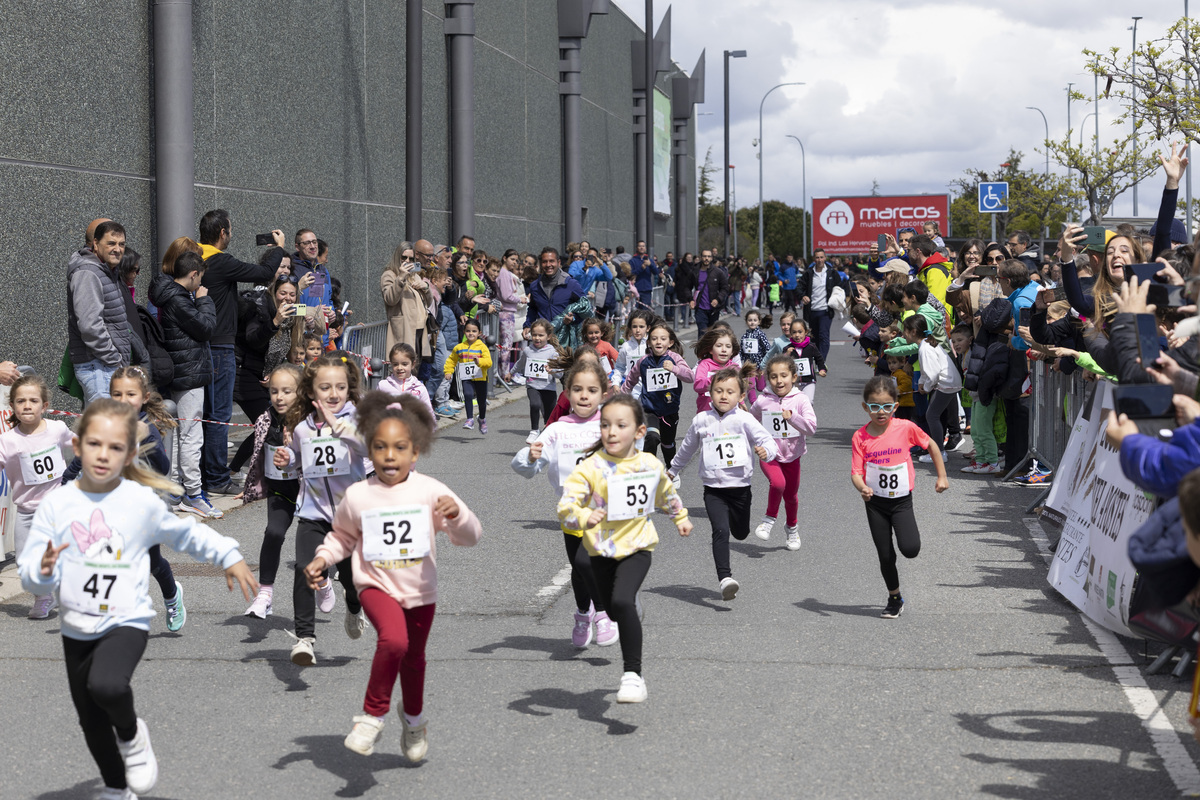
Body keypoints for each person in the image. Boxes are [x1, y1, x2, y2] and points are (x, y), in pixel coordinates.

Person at [18, 398, 256, 799]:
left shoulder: (138, 502)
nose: (103, 454)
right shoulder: (58, 505)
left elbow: (185, 533)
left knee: (108, 686)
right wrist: (42, 569)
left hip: (126, 619)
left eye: (115, 447)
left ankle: (131, 735)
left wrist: (228, 554)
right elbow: (32, 576)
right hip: (77, 626)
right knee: (91, 719)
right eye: (95, 444)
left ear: (129, 454)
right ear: (77, 447)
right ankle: (116, 788)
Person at [306, 392, 481, 761]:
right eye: (381, 447)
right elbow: (342, 537)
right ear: (369, 450)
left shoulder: (431, 491)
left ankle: (414, 720)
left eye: (399, 448)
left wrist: (457, 516)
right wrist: (323, 558)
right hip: (375, 585)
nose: (389, 455)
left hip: (420, 591)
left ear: (414, 453)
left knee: (413, 659)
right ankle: (371, 716)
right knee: (394, 642)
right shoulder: (358, 495)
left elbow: (471, 537)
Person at [558, 395, 692, 703]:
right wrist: (583, 515)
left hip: (637, 546)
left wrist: (680, 518)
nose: (612, 432)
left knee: (620, 601)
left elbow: (666, 493)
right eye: (605, 425)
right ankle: (626, 608)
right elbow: (565, 505)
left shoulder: (648, 463)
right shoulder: (591, 467)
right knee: (612, 604)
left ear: (640, 431)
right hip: (599, 551)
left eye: (621, 425)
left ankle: (633, 676)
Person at [274, 353, 369, 665]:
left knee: (353, 580)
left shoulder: (355, 420)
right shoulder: (302, 429)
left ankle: (354, 607)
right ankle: (305, 639)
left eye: (340, 387)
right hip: (313, 514)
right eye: (325, 387)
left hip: (348, 518)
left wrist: (338, 426)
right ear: (312, 391)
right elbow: (299, 463)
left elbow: (366, 448)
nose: (333, 394)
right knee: (306, 568)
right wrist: (289, 459)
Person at [513, 360, 616, 647]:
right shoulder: (557, 430)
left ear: (603, 394)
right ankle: (584, 613)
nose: (585, 395)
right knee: (579, 569)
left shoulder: (609, 426)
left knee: (587, 561)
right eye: (578, 390)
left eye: (592, 390)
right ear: (567, 393)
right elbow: (526, 467)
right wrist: (530, 458)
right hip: (571, 513)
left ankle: (604, 615)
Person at [197, 210, 287, 495]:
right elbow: (263, 273)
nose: (231, 235)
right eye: (230, 230)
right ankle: (216, 477)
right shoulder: (219, 261)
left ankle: (206, 473)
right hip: (220, 346)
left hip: (199, 342)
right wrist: (278, 248)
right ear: (223, 232)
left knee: (203, 416)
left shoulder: (193, 257)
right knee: (219, 414)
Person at [669, 368, 776, 600]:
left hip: (740, 489)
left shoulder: (744, 419)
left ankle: (740, 529)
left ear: (741, 396)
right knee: (720, 531)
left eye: (730, 392)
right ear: (710, 393)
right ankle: (725, 579)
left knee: (740, 532)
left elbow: (768, 440)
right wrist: (672, 470)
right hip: (713, 490)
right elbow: (687, 449)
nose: (724, 396)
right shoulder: (701, 420)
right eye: (718, 391)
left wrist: (766, 451)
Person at [851, 376, 949, 618]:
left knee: (910, 548)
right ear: (866, 407)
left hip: (902, 501)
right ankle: (894, 598)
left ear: (895, 406)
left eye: (886, 406)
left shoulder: (905, 427)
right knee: (885, 554)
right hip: (875, 503)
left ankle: (902, 560)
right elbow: (855, 472)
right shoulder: (860, 437)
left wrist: (942, 476)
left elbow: (932, 446)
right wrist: (862, 487)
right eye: (874, 406)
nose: (880, 412)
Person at [149, 249, 220, 519]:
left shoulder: (169, 295)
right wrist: (204, 300)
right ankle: (193, 494)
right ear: (193, 274)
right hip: (188, 373)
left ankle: (179, 491)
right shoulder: (181, 300)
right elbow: (205, 327)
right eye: (199, 278)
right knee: (191, 435)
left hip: (179, 371)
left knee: (180, 434)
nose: (200, 283)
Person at [0, 374, 75, 619]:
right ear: (12, 406)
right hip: (25, 512)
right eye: (21, 401)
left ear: (44, 406)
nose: (27, 405)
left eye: (33, 400)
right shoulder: (7, 441)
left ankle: (49, 597)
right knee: (24, 564)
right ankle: (45, 593)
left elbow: (81, 447)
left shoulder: (57, 429)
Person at [241, 363, 304, 619]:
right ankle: (264, 595)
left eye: (287, 391)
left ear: (301, 392)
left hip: (313, 494)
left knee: (315, 550)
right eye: (275, 391)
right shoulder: (266, 418)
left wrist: (298, 448)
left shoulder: (312, 421)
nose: (279, 397)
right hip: (281, 491)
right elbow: (252, 447)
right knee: (274, 532)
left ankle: (323, 581)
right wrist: (238, 473)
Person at [749, 355, 818, 549]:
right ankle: (769, 520)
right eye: (773, 376)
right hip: (769, 453)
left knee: (791, 496)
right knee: (777, 483)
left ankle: (792, 529)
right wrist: (757, 442)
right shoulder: (763, 400)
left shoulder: (801, 400)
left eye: (784, 376)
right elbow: (750, 420)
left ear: (794, 377)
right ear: (767, 379)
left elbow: (811, 428)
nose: (779, 381)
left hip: (792, 456)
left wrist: (793, 418)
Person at [68, 220, 135, 405]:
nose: (118, 249)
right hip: (98, 366)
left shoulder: (106, 271)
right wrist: (114, 358)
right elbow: (90, 326)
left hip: (104, 365)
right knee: (104, 429)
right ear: (96, 244)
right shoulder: (88, 272)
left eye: (121, 244)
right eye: (111, 243)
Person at [622, 320, 694, 466]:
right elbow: (630, 380)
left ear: (670, 342)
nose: (658, 342)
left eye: (663, 339)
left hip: (670, 410)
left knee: (667, 444)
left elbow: (690, 377)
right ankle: (650, 471)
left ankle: (671, 468)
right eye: (654, 339)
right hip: (649, 410)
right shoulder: (643, 361)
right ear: (648, 342)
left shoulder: (674, 358)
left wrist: (675, 369)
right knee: (652, 438)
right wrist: (620, 400)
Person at [903, 315, 962, 461]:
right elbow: (928, 372)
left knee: (932, 416)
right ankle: (939, 451)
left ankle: (939, 453)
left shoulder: (925, 348)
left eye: (905, 330)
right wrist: (924, 383)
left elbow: (933, 373)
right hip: (948, 383)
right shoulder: (926, 345)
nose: (903, 333)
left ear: (913, 332)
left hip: (947, 384)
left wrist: (926, 387)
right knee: (934, 415)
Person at [515, 319, 564, 441]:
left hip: (548, 387)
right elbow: (520, 364)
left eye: (541, 335)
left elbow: (560, 374)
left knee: (549, 417)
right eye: (534, 335)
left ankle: (546, 436)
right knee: (535, 404)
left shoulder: (552, 352)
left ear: (548, 336)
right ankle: (534, 430)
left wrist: (552, 371)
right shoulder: (528, 350)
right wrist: (510, 373)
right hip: (532, 385)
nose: (537, 338)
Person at [382, 242, 433, 357]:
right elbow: (390, 299)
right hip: (404, 329)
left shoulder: (415, 275)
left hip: (420, 329)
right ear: (397, 257)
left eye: (411, 258)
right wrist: (400, 277)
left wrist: (426, 287)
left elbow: (428, 303)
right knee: (404, 365)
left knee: (416, 368)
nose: (407, 261)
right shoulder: (389, 275)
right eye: (404, 257)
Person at [444, 318, 493, 434]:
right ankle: (470, 419)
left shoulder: (482, 347)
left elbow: (489, 362)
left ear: (479, 333)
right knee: (467, 394)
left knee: (481, 400)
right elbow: (451, 360)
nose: (471, 333)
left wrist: (479, 362)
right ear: (464, 331)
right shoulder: (459, 347)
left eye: (474, 331)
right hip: (467, 377)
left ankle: (482, 418)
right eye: (468, 331)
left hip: (481, 377)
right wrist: (448, 371)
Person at [523, 248, 584, 336]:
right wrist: (528, 325)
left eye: (551, 261)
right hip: (543, 339)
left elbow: (585, 307)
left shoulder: (571, 284)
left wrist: (573, 317)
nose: (548, 265)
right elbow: (533, 308)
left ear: (558, 263)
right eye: (545, 262)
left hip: (566, 338)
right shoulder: (535, 286)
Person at [380, 343, 436, 424]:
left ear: (413, 364)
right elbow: (375, 410)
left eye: (404, 364)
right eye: (395, 364)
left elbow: (428, 414)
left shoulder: (419, 388)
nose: (399, 368)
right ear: (391, 364)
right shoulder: (383, 385)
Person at [691, 326, 742, 413]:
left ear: (732, 351)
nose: (724, 350)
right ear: (711, 349)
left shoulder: (734, 367)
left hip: (729, 412)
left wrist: (742, 402)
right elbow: (698, 385)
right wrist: (715, 379)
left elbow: (739, 389)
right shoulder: (705, 365)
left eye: (728, 346)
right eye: (719, 346)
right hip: (707, 411)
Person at [782, 318, 826, 401]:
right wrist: (786, 355)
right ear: (790, 333)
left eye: (800, 332)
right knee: (793, 402)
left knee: (808, 401)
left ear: (806, 332)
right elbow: (782, 364)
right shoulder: (787, 348)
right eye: (794, 332)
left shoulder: (811, 347)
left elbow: (819, 359)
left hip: (809, 381)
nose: (797, 335)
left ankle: (807, 414)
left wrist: (822, 369)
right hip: (793, 382)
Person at [690, 250, 730, 335]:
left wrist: (718, 299)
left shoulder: (718, 272)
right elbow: (686, 286)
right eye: (704, 256)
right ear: (701, 258)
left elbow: (725, 288)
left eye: (708, 256)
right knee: (702, 332)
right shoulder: (694, 271)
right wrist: (690, 299)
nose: (706, 259)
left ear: (712, 258)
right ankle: (702, 348)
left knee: (712, 333)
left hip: (713, 308)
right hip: (700, 307)